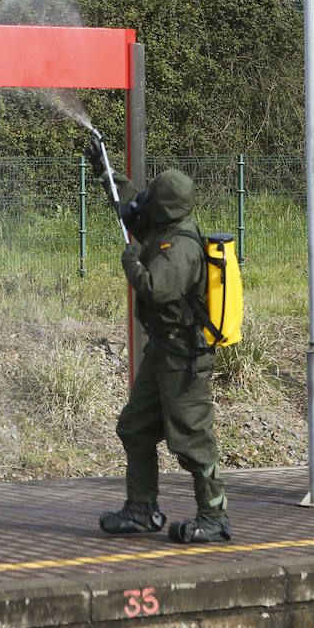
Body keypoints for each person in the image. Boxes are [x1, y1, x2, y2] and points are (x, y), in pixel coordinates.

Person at [84, 140, 230, 543]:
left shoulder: (181, 246)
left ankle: (214, 517)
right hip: (162, 352)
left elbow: (157, 289)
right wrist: (104, 169)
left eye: (154, 194)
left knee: (191, 440)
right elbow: (129, 202)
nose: (145, 197)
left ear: (166, 205)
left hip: (184, 357)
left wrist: (131, 263)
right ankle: (142, 509)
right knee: (135, 428)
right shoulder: (161, 226)